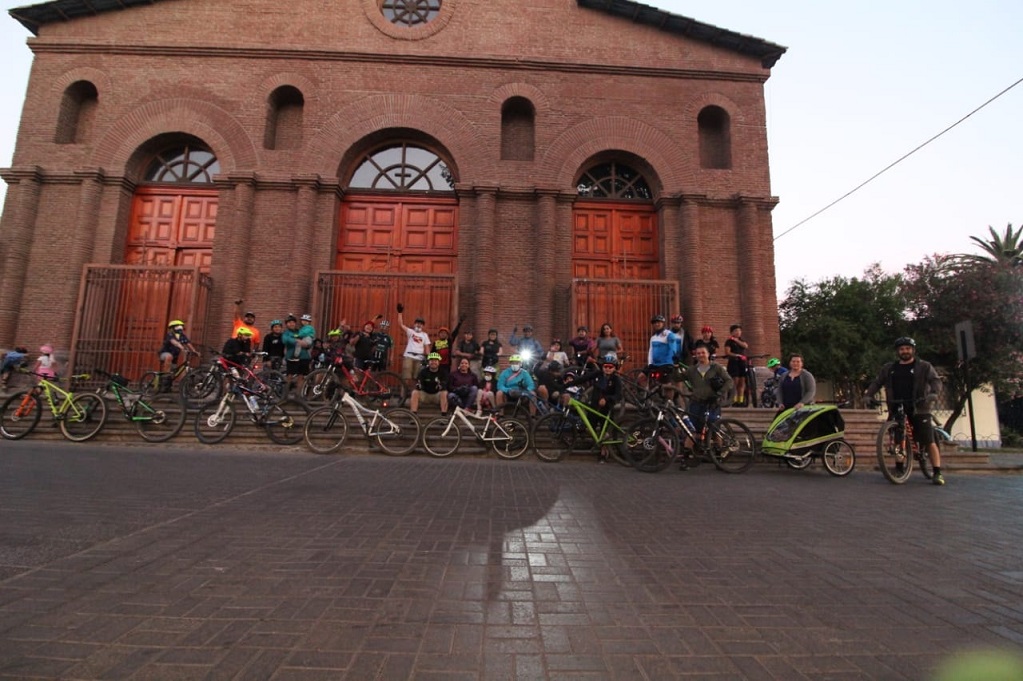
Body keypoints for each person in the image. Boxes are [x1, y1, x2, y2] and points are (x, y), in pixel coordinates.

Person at [865, 337, 945, 486]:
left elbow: (935, 380)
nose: (905, 351)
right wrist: (869, 395)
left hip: (919, 406)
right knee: (898, 439)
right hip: (897, 406)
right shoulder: (889, 368)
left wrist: (933, 393)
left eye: (907, 348)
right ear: (897, 352)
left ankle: (937, 471)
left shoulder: (924, 366)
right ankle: (899, 467)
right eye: (902, 349)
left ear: (913, 350)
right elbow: (877, 382)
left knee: (928, 440)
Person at [677, 345, 733, 464]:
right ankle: (686, 457)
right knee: (692, 431)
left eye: (703, 352)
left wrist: (719, 393)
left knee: (714, 429)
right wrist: (673, 367)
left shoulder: (716, 367)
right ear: (695, 355)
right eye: (698, 353)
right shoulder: (692, 370)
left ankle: (719, 455)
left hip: (712, 403)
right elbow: (678, 378)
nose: (700, 355)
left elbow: (729, 381)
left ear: (708, 354)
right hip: (696, 403)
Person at [564, 353, 623, 461]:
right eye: (605, 366)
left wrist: (607, 399)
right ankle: (597, 443)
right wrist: (568, 384)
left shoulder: (616, 379)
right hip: (594, 407)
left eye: (610, 367)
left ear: (615, 368)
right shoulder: (598, 374)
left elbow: (618, 395)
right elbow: (583, 379)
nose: (608, 369)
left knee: (605, 432)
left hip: (607, 409)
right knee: (588, 428)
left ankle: (604, 452)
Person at [396, 303, 431, 383]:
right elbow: (401, 325)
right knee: (406, 377)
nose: (419, 325)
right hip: (409, 356)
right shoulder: (411, 332)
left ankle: (414, 391)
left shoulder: (425, 335)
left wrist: (429, 358)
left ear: (423, 326)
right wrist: (400, 313)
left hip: (420, 358)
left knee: (417, 378)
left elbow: (427, 348)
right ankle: (403, 391)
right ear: (414, 324)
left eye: (421, 324)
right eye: (417, 323)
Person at [646, 315, 679, 393]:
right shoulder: (653, 337)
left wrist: (675, 357)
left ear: (663, 323)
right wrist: (650, 363)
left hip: (666, 363)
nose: (657, 324)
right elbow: (651, 351)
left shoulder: (669, 334)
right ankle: (644, 396)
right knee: (642, 377)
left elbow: (673, 347)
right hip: (654, 364)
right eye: (655, 323)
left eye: (659, 322)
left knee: (667, 385)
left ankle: (669, 399)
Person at [410, 352, 448, 416]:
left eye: (435, 361)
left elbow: (445, 383)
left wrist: (441, 385)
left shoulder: (443, 372)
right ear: (428, 362)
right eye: (431, 360)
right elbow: (419, 383)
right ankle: (413, 416)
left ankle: (444, 416)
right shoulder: (423, 372)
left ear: (438, 362)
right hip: (425, 395)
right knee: (415, 392)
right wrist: (419, 386)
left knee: (444, 393)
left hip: (437, 396)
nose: (433, 362)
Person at [723, 324, 750, 406]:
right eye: (736, 331)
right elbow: (727, 352)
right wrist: (736, 355)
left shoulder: (741, 340)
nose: (738, 332)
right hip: (734, 362)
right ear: (732, 332)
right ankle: (733, 400)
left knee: (742, 382)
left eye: (739, 331)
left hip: (742, 363)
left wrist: (736, 340)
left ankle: (740, 401)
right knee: (735, 381)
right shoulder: (729, 341)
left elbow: (745, 346)